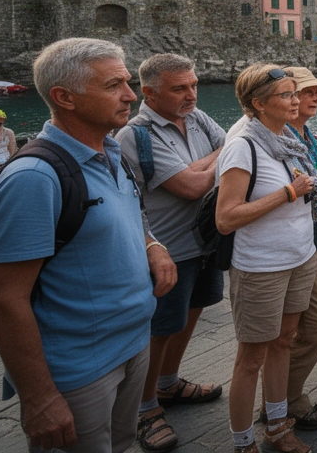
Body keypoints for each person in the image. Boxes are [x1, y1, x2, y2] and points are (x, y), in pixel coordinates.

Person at [0, 38, 176, 453]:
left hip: (133, 344)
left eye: (127, 81)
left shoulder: (110, 151)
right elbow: (4, 301)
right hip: (79, 369)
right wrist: (39, 399)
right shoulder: (34, 178)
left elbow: (122, 218)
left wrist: (151, 245)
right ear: (63, 98)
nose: (131, 94)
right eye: (113, 85)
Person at [116, 54, 227, 453]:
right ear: (149, 92)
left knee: (191, 313)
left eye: (193, 85)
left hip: (204, 241)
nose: (191, 94)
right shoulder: (136, 136)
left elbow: (231, 148)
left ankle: (168, 384)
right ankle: (144, 409)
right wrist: (203, 168)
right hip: (167, 248)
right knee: (159, 329)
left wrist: (197, 167)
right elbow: (191, 188)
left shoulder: (198, 118)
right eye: (180, 88)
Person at [215, 63, 317, 453]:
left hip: (299, 257)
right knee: (251, 357)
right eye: (287, 95)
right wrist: (288, 194)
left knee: (284, 342)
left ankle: (278, 429)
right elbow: (226, 218)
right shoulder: (242, 144)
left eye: (296, 93)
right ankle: (243, 442)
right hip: (261, 266)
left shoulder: (286, 137)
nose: (297, 101)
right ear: (258, 104)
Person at [278, 66, 317, 432]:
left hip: (309, 242)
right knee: (313, 325)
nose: (314, 97)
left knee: (299, 327)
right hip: (289, 248)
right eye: (305, 91)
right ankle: (283, 400)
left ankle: (284, 398)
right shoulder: (280, 137)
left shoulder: (304, 135)